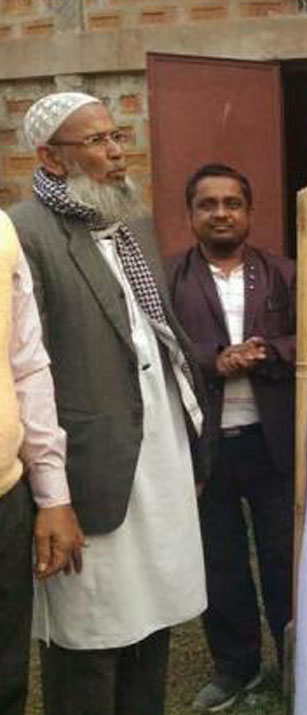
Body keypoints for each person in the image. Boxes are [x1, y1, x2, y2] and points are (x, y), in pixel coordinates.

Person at [10, 91, 208, 715]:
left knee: (155, 617)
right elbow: (28, 370)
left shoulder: (130, 220)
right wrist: (52, 495)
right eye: (97, 141)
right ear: (50, 157)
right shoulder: (24, 233)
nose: (118, 152)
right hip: (88, 466)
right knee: (91, 633)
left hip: (158, 452)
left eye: (118, 136)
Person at [167, 163, 307, 712]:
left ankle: (294, 664)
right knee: (219, 560)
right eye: (208, 204)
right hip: (205, 446)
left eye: (232, 203)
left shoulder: (284, 272)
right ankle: (235, 666)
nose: (221, 213)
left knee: (284, 556)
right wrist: (214, 360)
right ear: (191, 214)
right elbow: (158, 347)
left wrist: (266, 352)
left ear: (249, 211)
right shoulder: (169, 278)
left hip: (273, 443)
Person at [0, 207, 84, 715]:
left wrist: (53, 495)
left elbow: (27, 366)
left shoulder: (2, 233)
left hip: (4, 496)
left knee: (6, 679)